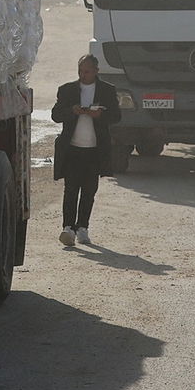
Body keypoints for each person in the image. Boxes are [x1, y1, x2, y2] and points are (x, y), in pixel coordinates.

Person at [51, 54, 122, 246]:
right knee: (71, 189)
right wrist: (71, 111)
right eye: (80, 71)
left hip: (94, 150)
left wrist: (99, 115)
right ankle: (68, 228)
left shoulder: (107, 90)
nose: (83, 75)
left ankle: (83, 227)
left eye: (87, 71)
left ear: (96, 71)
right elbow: (55, 115)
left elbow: (116, 116)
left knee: (89, 191)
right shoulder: (67, 90)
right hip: (73, 149)